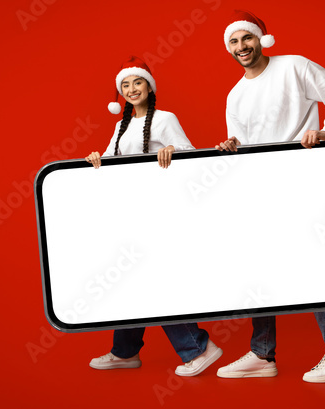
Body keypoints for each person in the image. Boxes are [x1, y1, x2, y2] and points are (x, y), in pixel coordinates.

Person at [212, 10, 325, 383]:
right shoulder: (235, 94)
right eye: (233, 41)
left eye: (246, 38)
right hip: (261, 189)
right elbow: (243, 145)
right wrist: (232, 147)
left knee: (305, 263)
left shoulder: (294, 67)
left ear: (261, 40)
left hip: (301, 180)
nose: (241, 47)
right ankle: (263, 354)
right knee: (261, 268)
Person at [83, 56, 222, 377]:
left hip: (159, 213)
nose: (132, 89)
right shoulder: (121, 125)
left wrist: (172, 152)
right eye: (126, 85)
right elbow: (111, 160)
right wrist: (95, 158)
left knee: (152, 282)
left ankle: (199, 348)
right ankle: (125, 352)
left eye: (138, 82)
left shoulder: (165, 119)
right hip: (131, 214)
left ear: (149, 86)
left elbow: (191, 154)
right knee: (132, 283)